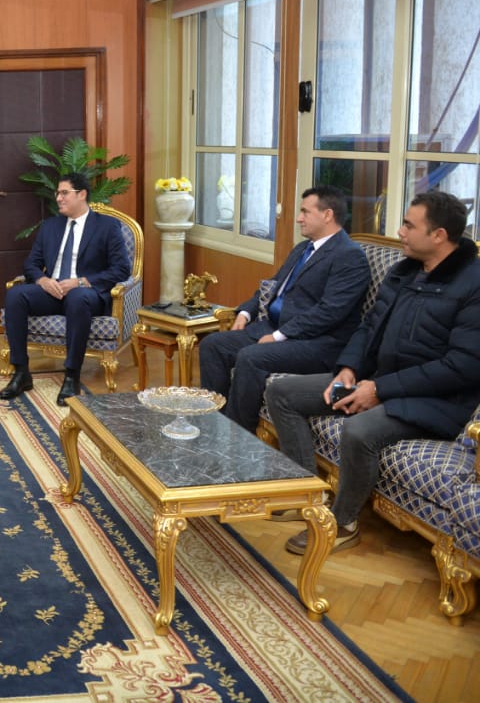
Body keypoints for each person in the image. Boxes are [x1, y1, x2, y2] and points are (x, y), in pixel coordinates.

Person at [264, 190, 480, 555]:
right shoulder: (405, 270)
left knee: (360, 430)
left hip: (436, 402)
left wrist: (380, 390)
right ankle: (306, 495)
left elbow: (461, 367)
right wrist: (348, 369)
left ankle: (343, 522)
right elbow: (369, 326)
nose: (400, 232)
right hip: (377, 381)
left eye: (409, 226)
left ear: (439, 235)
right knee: (282, 393)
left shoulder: (473, 284)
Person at [198, 186, 371, 431]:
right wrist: (246, 312)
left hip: (317, 343)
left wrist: (279, 336)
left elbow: (329, 312)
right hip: (275, 327)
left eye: (305, 212)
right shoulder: (303, 248)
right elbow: (273, 285)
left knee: (251, 357)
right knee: (213, 345)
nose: (299, 218)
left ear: (327, 215)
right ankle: (214, 426)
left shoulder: (349, 256)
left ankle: (237, 437)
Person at [1, 172, 131, 406]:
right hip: (52, 291)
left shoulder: (107, 226)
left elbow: (121, 269)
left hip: (86, 294)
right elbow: (31, 264)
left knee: (77, 298)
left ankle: (72, 376)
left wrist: (81, 281)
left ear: (82, 194)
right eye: (57, 193)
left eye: (64, 193)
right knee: (15, 295)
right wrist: (43, 281)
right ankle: (21, 372)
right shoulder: (51, 226)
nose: (58, 198)